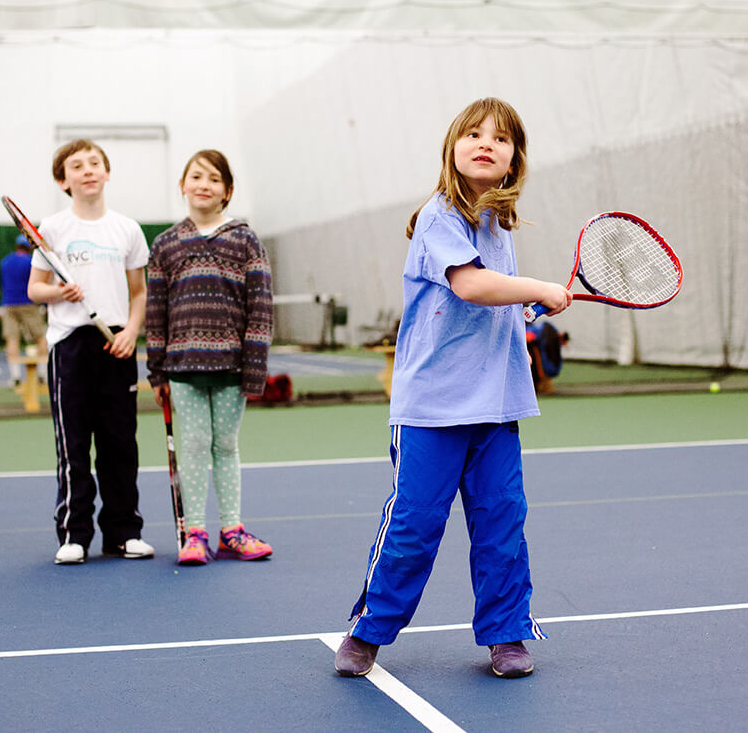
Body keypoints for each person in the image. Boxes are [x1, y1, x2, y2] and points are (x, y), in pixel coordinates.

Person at [334, 97, 571, 680]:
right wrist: (535, 286)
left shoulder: (498, 226)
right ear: (452, 148)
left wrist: (524, 306)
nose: (485, 144)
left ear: (514, 161)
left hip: (497, 405)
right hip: (431, 408)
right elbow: (469, 286)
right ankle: (369, 629)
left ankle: (508, 634)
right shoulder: (439, 216)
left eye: (501, 139)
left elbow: (491, 301)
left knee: (501, 523)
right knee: (414, 524)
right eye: (472, 134)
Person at [145, 149, 275, 566]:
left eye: (214, 179)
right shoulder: (165, 244)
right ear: (182, 185)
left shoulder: (245, 239)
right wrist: (156, 371)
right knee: (196, 445)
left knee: (226, 445)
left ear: (227, 191)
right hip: (182, 369)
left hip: (232, 368)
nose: (203, 184)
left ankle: (232, 531)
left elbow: (261, 307)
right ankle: (195, 533)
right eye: (195, 176)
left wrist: (254, 369)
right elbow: (155, 313)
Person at [26, 139, 153, 566]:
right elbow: (34, 289)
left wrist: (132, 332)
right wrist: (58, 290)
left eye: (95, 163)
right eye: (76, 166)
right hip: (71, 347)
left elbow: (139, 292)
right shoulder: (54, 228)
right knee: (74, 445)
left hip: (116, 342)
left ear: (107, 172)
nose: (88, 170)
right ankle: (74, 533)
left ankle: (123, 532)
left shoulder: (127, 230)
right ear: (64, 181)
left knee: (121, 444)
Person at [0, 235, 48, 386]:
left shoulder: (4, 262)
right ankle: (42, 374)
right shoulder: (31, 262)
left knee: (12, 339)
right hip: (29, 304)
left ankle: (15, 376)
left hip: (9, 305)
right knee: (41, 337)